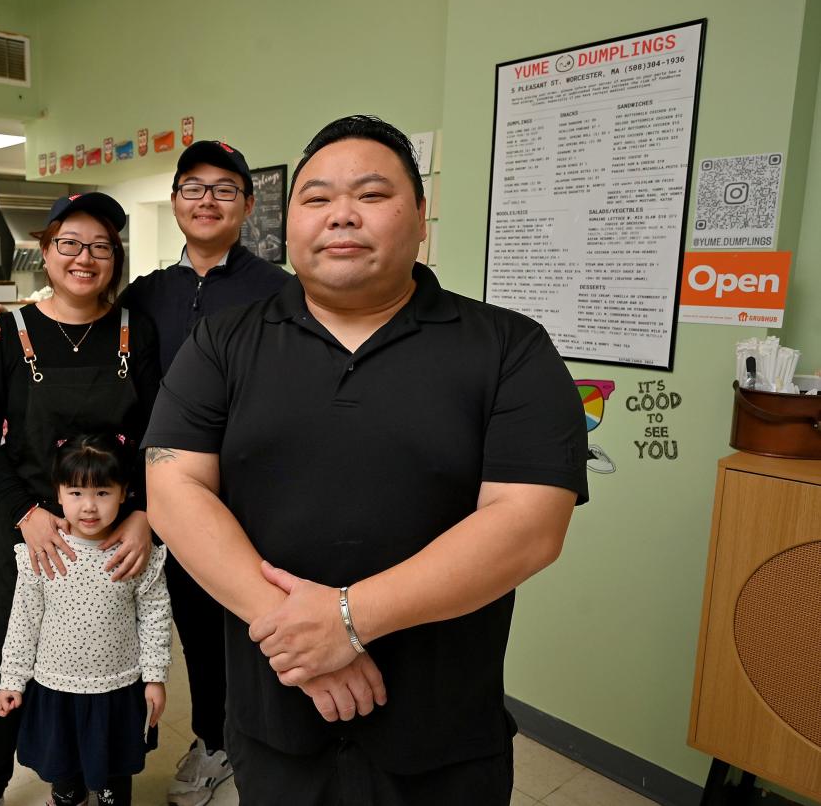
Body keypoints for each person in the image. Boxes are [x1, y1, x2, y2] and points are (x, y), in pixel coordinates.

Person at [142, 115, 589, 805]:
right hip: (275, 715)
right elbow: (174, 489)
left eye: (372, 195)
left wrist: (350, 619)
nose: (341, 215)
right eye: (316, 198)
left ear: (419, 217)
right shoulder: (221, 344)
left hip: (441, 732)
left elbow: (530, 523)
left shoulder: (509, 348)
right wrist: (303, 640)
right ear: (288, 226)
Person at [0, 141, 290, 806]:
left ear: (249, 204)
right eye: (192, 187)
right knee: (32, 644)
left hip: (219, 496)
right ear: (175, 201)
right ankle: (4, 778)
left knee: (212, 629)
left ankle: (222, 746)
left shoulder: (276, 291)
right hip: (74, 513)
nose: (206, 201)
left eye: (224, 189)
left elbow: (158, 420)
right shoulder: (146, 297)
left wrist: (145, 509)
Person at [0, 192, 161, 806]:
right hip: (33, 527)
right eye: (69, 244)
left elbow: (162, 434)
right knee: (13, 653)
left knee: (113, 652)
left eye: (101, 246)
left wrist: (146, 515)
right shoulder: (6, 331)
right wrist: (28, 516)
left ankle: (102, 777)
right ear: (45, 252)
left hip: (115, 528)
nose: (85, 258)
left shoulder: (135, 329)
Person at [0, 433, 172, 806]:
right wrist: (11, 680)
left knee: (113, 781)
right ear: (58, 494)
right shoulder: (41, 553)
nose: (89, 506)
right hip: (57, 688)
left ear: (124, 493)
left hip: (118, 689)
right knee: (66, 780)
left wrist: (155, 678)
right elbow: (23, 620)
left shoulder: (138, 553)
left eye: (103, 493)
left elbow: (155, 617)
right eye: (76, 493)